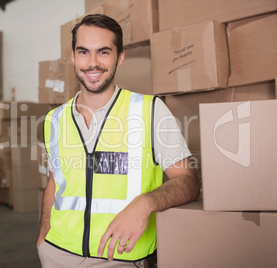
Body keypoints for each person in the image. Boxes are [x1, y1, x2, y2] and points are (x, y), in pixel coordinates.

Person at [37, 14, 200, 267]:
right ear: (72, 56)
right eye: (83, 52)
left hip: (121, 258)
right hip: (57, 254)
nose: (92, 63)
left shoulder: (150, 111)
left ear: (120, 56)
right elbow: (54, 182)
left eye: (103, 52)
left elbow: (188, 181)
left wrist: (145, 203)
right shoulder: (53, 119)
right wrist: (43, 237)